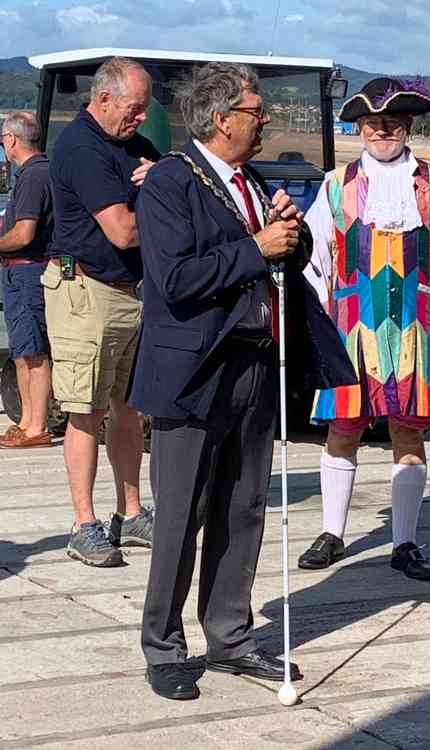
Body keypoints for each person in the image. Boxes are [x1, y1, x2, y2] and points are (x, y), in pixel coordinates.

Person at [130, 62, 355, 701]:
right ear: (221, 117)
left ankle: (230, 635)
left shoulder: (251, 179)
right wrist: (257, 245)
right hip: (193, 372)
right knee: (182, 513)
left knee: (245, 505)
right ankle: (164, 646)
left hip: (256, 363)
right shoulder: (172, 182)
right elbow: (175, 279)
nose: (267, 120)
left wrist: (294, 230)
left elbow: (286, 254)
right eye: (257, 110)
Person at [298, 76, 430, 580]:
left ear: (406, 127)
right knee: (343, 427)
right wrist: (315, 325)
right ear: (359, 127)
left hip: (415, 326)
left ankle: (404, 543)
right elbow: (314, 259)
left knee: (407, 430)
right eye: (373, 124)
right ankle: (333, 533)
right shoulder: (335, 186)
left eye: (393, 123)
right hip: (349, 324)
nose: (383, 132)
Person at [44, 57, 160, 567]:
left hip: (130, 291)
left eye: (144, 110)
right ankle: (84, 523)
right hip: (85, 292)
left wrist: (160, 179)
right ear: (104, 98)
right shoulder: (80, 147)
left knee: (130, 409)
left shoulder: (135, 145)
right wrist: (157, 191)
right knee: (85, 411)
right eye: (134, 109)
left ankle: (130, 512)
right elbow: (124, 230)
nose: (139, 119)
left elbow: (175, 186)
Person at [0, 113, 53, 448]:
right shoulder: (35, 173)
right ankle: (26, 420)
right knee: (22, 349)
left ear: (12, 139)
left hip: (29, 270)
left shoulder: (34, 176)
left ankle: (38, 425)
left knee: (34, 350)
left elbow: (24, 233)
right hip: (20, 271)